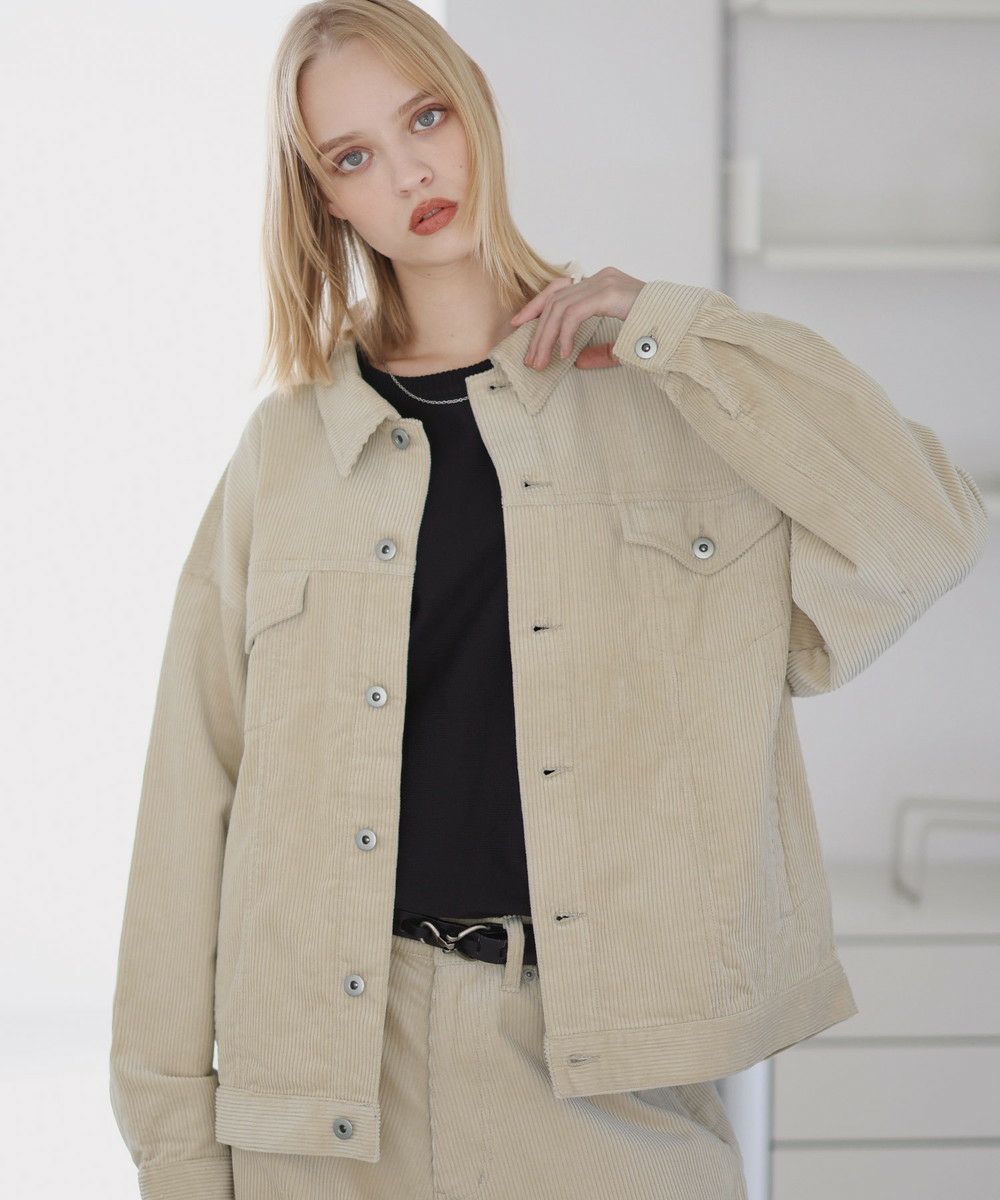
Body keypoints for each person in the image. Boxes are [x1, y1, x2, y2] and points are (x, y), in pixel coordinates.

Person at [108, 2, 991, 1198]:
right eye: (353, 156)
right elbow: (189, 795)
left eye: (424, 118)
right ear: (327, 200)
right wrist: (176, 1149)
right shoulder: (288, 451)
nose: (409, 172)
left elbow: (923, 530)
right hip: (321, 1104)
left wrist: (679, 331)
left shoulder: (661, 398)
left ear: (475, 102)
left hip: (602, 1087)